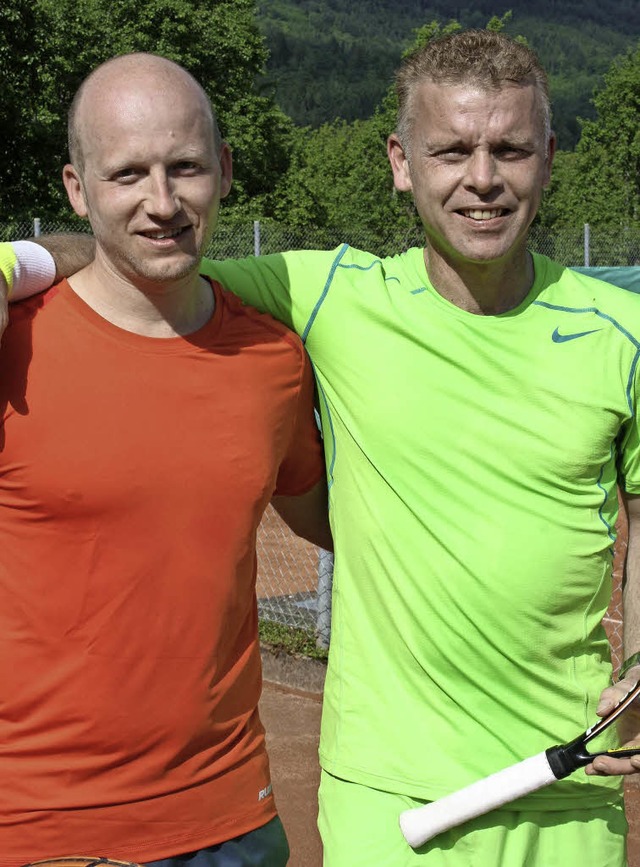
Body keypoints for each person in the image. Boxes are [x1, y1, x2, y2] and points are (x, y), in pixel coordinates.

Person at [4, 29, 640, 867]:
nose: (481, 178)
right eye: (450, 149)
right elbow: (140, 262)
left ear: (549, 158)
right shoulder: (330, 295)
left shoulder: (621, 331)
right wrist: (22, 258)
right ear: (400, 161)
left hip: (556, 782)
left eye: (510, 149)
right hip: (370, 795)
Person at [0, 53, 332, 867]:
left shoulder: (274, 358)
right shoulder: (15, 341)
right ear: (78, 189)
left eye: (184, 167)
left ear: (222, 170)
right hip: (38, 829)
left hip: (231, 824)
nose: (161, 202)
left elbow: (346, 524)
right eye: (127, 175)